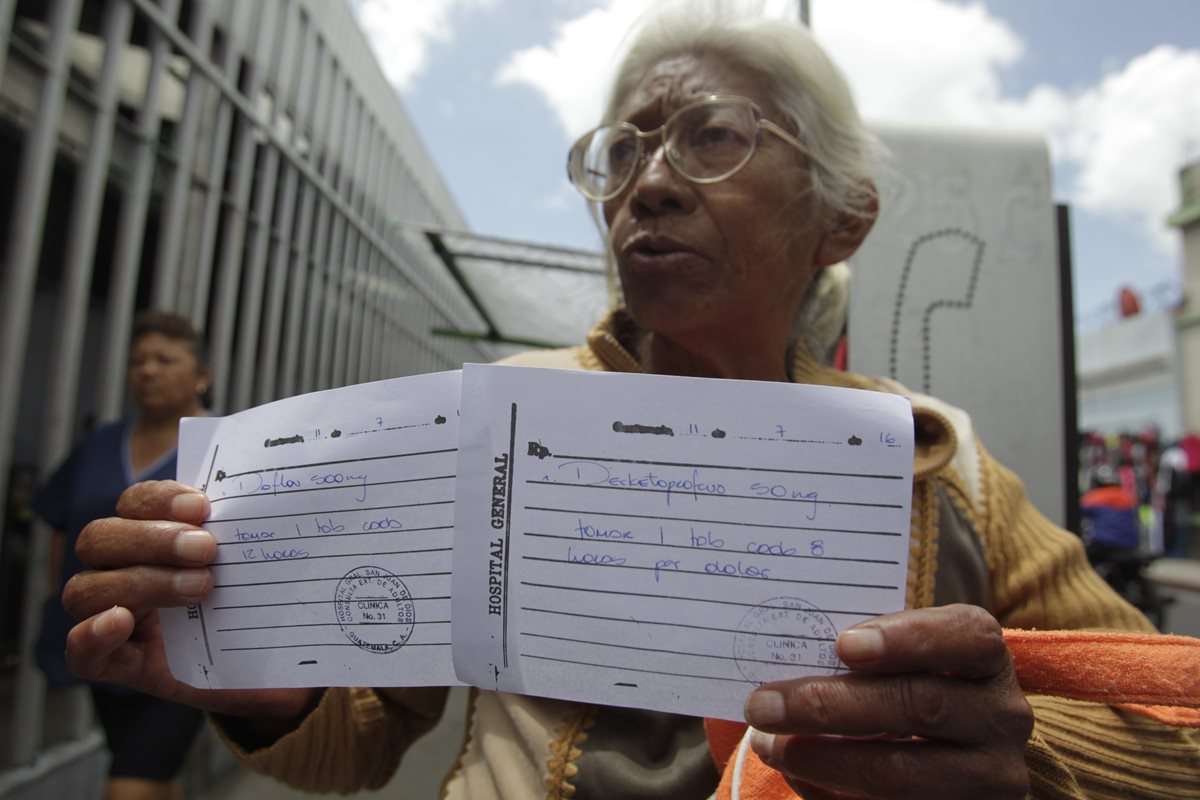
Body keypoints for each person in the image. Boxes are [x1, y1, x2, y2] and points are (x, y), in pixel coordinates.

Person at [59, 5, 1199, 799]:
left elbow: (1173, 728)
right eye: (623, 150)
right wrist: (266, 687)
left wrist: (1028, 753)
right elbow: (355, 741)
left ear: (842, 217)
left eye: (710, 136)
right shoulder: (490, 422)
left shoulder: (938, 462)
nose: (648, 181)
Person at [35, 311, 210, 800]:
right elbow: (61, 524)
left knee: (129, 786)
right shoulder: (100, 443)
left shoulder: (222, 447)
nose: (147, 370)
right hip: (107, 643)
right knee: (149, 775)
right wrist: (64, 598)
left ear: (202, 375)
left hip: (183, 647)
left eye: (164, 359)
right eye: (137, 360)